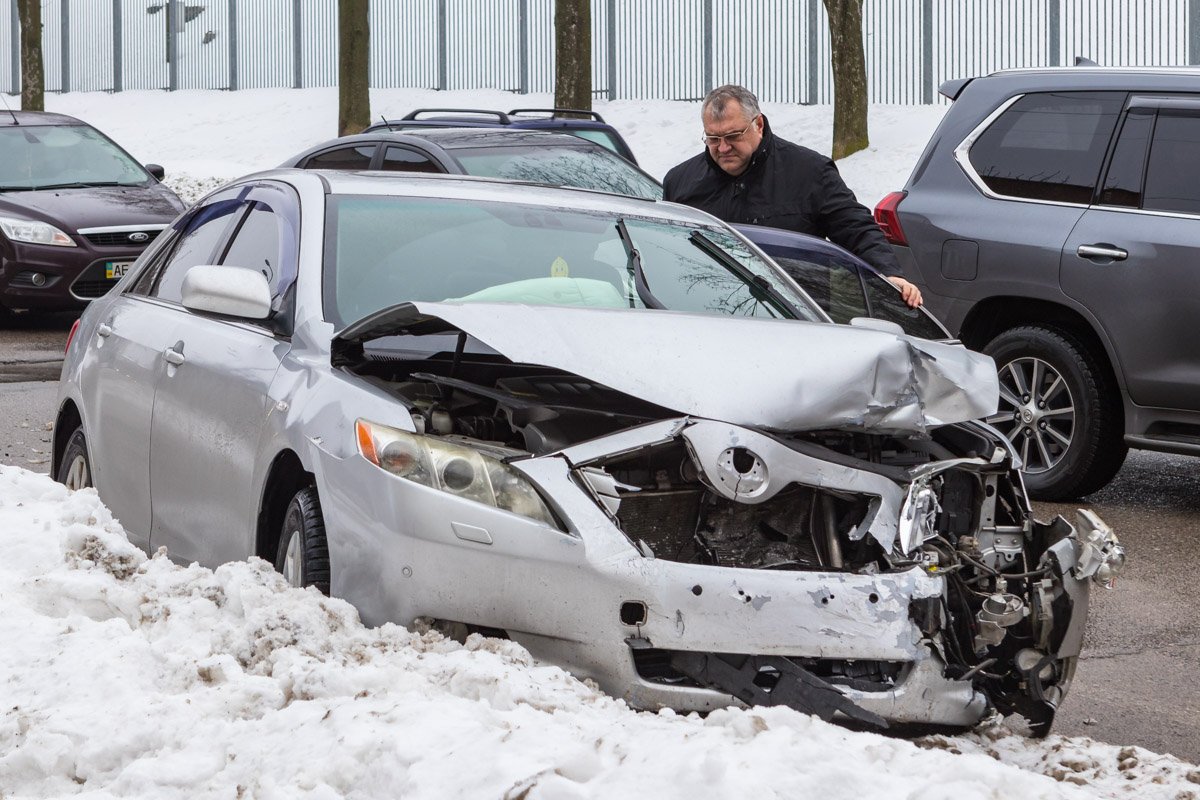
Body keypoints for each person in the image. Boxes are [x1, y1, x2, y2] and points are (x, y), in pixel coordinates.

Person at [664, 84, 923, 308]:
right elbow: (665, 252)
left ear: (759, 125)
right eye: (713, 138)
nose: (723, 147)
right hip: (709, 316)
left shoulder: (809, 172)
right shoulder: (681, 183)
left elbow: (854, 226)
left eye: (733, 136)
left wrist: (889, 273)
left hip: (797, 317)